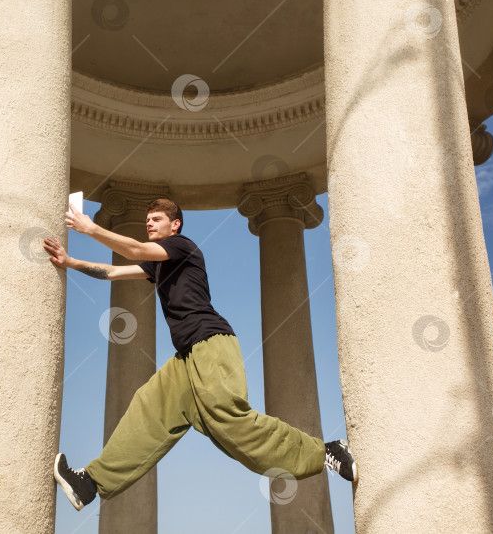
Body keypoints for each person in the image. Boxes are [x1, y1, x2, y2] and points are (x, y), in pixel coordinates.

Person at [43, 198, 357, 511]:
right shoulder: (158, 264)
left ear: (174, 224)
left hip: (211, 342)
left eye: (156, 219)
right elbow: (111, 272)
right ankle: (90, 483)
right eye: (147, 220)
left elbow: (135, 250)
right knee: (149, 407)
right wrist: (70, 262)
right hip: (186, 357)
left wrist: (90, 228)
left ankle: (326, 451)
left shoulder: (181, 245)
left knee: (229, 419)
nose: (149, 223)